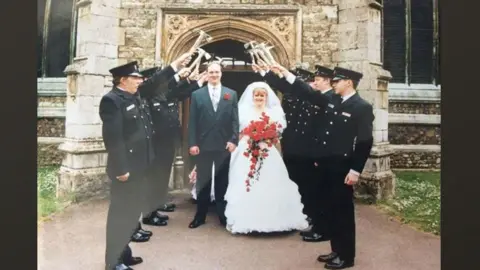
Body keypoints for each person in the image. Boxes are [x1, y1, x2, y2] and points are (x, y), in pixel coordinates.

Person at [273, 64, 374, 270]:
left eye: (337, 81)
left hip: (343, 167)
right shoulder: (334, 101)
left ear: (349, 82)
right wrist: (285, 75)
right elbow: (309, 93)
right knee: (331, 209)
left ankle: (347, 256)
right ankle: (336, 250)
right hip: (327, 165)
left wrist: (355, 170)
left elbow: (364, 142)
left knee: (343, 212)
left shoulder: (361, 107)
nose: (333, 84)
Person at [224, 81, 309, 234]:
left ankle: (274, 219)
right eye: (256, 95)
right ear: (252, 96)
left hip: (267, 150)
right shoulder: (243, 111)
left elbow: (277, 133)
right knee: (245, 181)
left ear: (267, 97)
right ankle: (246, 219)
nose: (259, 97)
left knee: (271, 180)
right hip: (247, 150)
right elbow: (238, 130)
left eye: (262, 95)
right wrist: (251, 138)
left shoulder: (273, 112)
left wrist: (267, 139)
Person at [100, 61, 154, 270]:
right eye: (136, 78)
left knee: (131, 214)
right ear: (123, 80)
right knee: (120, 216)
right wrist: (121, 169)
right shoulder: (112, 100)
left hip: (139, 167)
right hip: (126, 171)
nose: (140, 81)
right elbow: (113, 139)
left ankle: (124, 253)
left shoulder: (133, 97)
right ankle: (112, 262)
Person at [187, 62, 239, 229]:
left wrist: (233, 140)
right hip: (203, 145)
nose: (214, 75)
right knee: (203, 181)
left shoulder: (231, 94)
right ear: (207, 74)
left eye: (217, 72)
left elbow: (235, 121)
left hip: (224, 145)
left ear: (221, 74)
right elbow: (192, 121)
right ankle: (200, 216)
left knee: (222, 180)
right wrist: (193, 143)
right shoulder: (197, 95)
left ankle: (222, 215)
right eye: (211, 72)